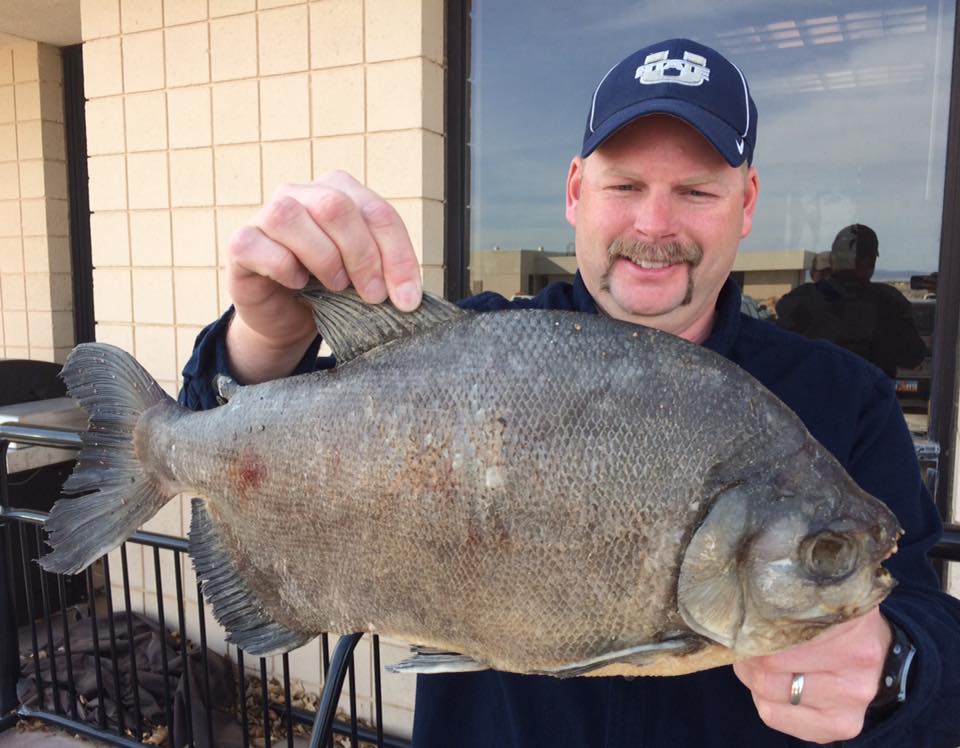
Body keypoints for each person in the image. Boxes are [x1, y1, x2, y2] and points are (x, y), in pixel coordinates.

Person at [179, 38, 960, 747]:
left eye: (696, 191)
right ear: (575, 192)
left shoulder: (843, 396)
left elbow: (925, 617)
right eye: (624, 185)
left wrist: (898, 670)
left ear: (746, 202)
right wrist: (266, 341)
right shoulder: (467, 351)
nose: (655, 225)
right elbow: (214, 435)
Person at [776, 224, 927, 377]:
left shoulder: (803, 297)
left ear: (833, 259)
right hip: (868, 397)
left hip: (811, 396)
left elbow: (780, 347)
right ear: (870, 262)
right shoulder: (887, 301)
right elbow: (913, 356)